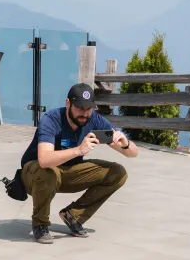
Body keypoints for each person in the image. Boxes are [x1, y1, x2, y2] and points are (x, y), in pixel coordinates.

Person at [19, 84, 138, 244]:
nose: (84, 113)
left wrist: (125, 143)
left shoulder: (94, 120)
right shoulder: (52, 119)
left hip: (66, 172)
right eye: (80, 108)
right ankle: (40, 224)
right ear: (68, 103)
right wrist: (79, 150)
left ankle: (73, 216)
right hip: (34, 175)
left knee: (118, 173)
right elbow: (44, 159)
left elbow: (132, 153)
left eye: (88, 108)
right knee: (47, 172)